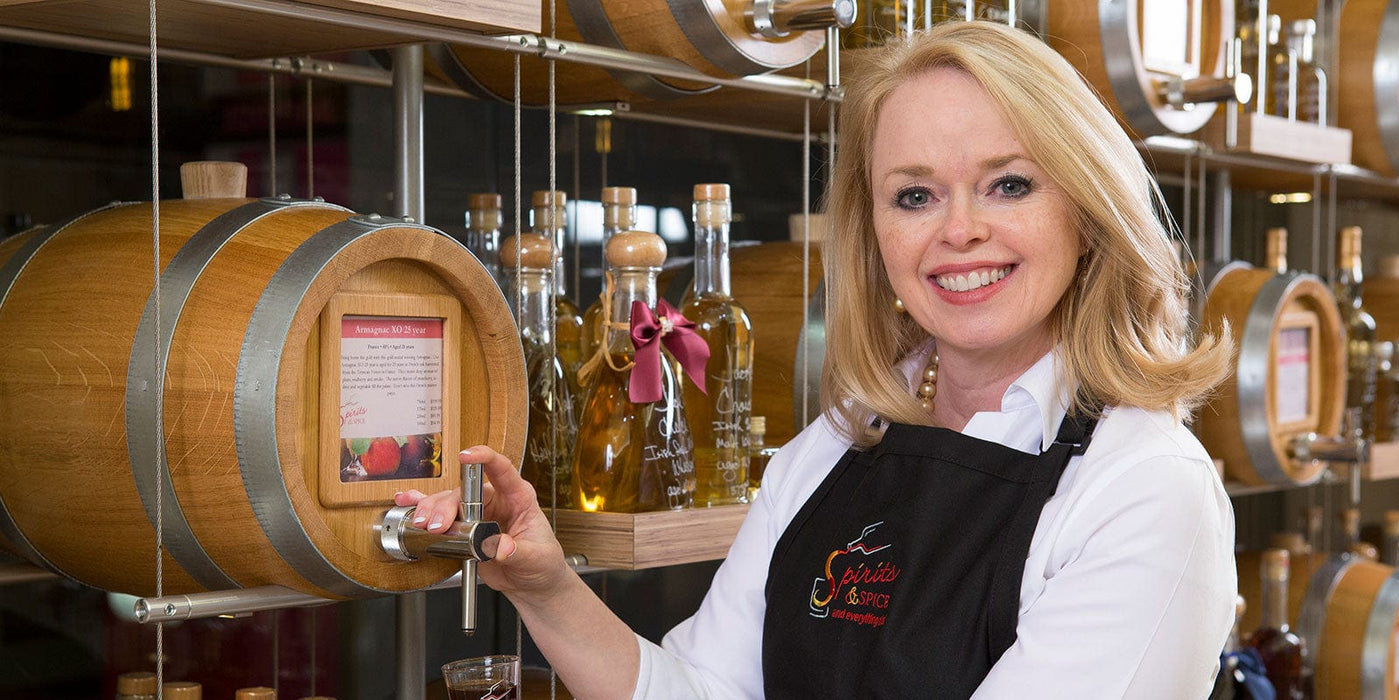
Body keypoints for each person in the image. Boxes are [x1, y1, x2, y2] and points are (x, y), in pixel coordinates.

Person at [402, 20, 1236, 699]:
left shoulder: (1145, 488)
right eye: (915, 195)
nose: (959, 231)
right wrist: (544, 585)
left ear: (1087, 210)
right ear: (875, 238)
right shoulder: (837, 450)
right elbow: (699, 690)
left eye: (1009, 184)